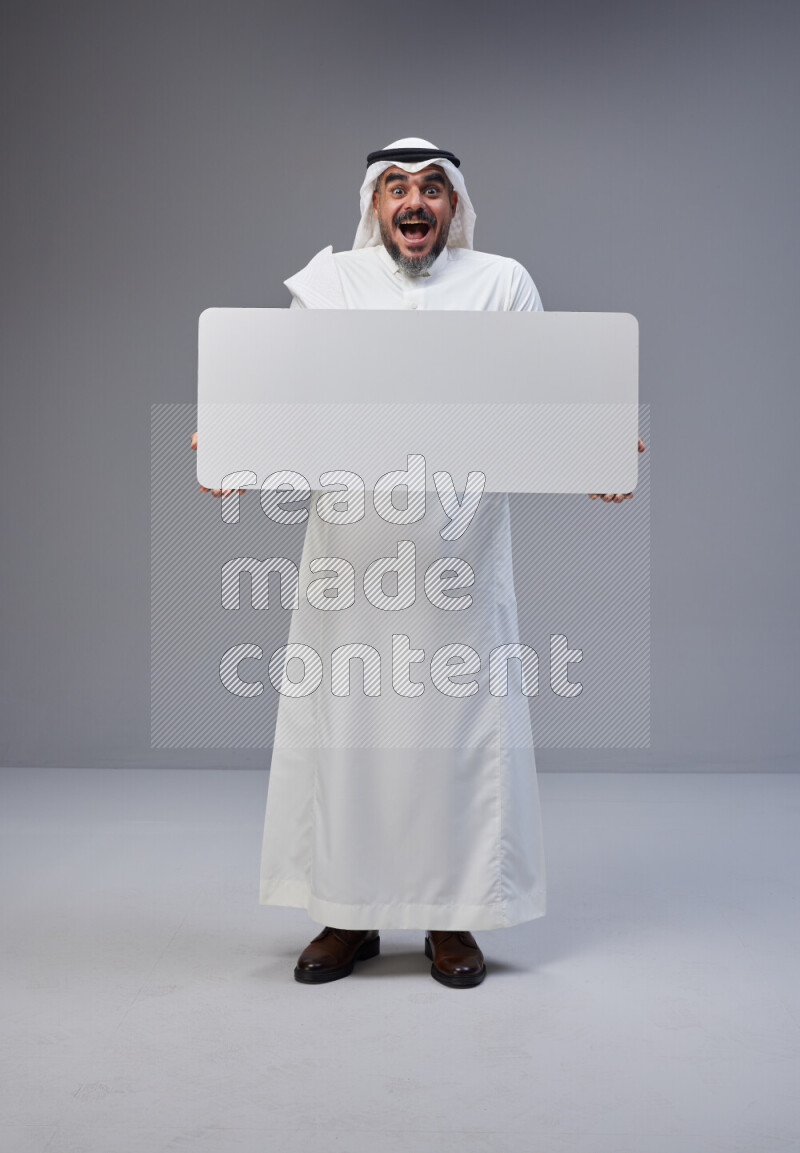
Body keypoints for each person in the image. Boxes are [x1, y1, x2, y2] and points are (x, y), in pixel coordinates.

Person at [192, 137, 644, 988]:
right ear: (373, 204)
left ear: (454, 206)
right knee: (349, 734)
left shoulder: (501, 284)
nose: (414, 201)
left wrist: (599, 453)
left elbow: (549, 399)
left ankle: (451, 920)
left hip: (457, 563)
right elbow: (283, 402)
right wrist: (231, 443)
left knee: (456, 735)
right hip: (349, 561)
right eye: (396, 186)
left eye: (432, 188)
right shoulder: (328, 288)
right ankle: (347, 914)